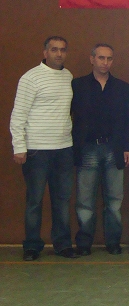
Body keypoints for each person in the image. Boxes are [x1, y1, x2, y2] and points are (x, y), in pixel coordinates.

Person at [10, 36, 77, 260]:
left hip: (64, 149)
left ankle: (63, 244)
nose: (59, 54)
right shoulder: (30, 78)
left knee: (62, 200)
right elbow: (18, 114)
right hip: (36, 150)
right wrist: (19, 146)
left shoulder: (68, 77)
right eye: (54, 49)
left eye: (63, 50)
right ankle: (31, 246)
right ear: (45, 52)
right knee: (35, 201)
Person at [71, 43, 129, 256]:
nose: (105, 62)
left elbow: (127, 120)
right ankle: (84, 243)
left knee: (114, 201)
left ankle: (113, 242)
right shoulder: (78, 85)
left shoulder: (122, 87)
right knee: (85, 201)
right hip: (87, 148)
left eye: (109, 58)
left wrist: (128, 147)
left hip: (114, 149)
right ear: (92, 59)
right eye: (101, 58)